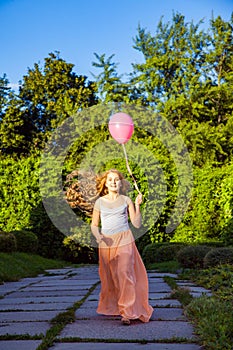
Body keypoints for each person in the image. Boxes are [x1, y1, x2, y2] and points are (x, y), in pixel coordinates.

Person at [91, 168, 153, 325]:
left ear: (120, 183)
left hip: (125, 239)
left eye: (116, 179)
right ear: (105, 183)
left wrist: (138, 206)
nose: (113, 182)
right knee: (111, 277)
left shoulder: (126, 200)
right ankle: (116, 306)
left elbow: (136, 224)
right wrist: (98, 237)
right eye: (110, 179)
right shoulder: (99, 202)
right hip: (107, 242)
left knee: (124, 272)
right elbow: (94, 225)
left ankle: (127, 312)